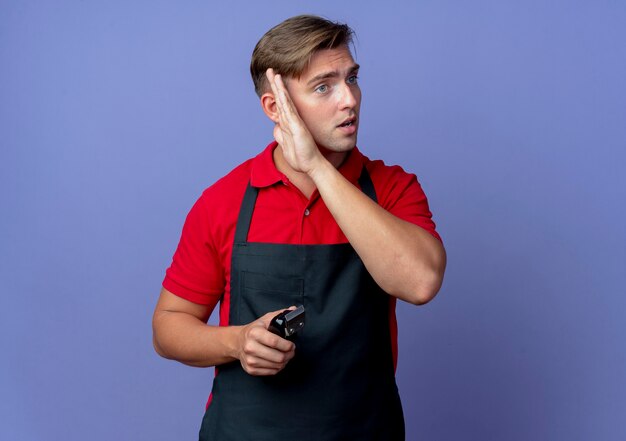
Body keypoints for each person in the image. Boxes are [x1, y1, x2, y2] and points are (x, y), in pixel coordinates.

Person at [152, 14, 446, 440]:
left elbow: (420, 283)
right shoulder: (223, 201)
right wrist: (237, 342)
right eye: (324, 86)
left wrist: (317, 168)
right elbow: (168, 326)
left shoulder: (393, 189)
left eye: (352, 78)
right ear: (275, 107)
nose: (349, 100)